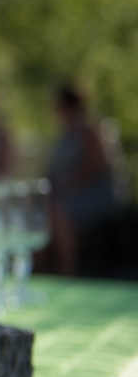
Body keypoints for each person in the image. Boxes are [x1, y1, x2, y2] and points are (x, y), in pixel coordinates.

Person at [47, 83, 120, 276]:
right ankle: (40, 268)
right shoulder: (64, 134)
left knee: (59, 210)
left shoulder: (91, 131)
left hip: (96, 195)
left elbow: (94, 167)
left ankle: (67, 270)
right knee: (41, 209)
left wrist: (68, 187)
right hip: (68, 193)